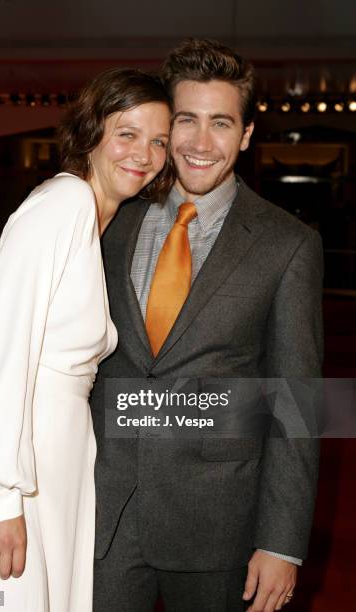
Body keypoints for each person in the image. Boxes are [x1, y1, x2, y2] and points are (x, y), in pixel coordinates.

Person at [91, 40, 323, 612]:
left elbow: (294, 402)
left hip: (219, 523)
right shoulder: (110, 216)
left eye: (220, 123)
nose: (199, 142)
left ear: (245, 134)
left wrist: (282, 543)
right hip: (102, 512)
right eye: (186, 120)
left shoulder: (287, 244)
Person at [0, 68, 172, 612]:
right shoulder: (61, 206)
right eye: (127, 133)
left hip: (52, 463)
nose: (144, 152)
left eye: (158, 140)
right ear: (91, 132)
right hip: (11, 474)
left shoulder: (92, 220)